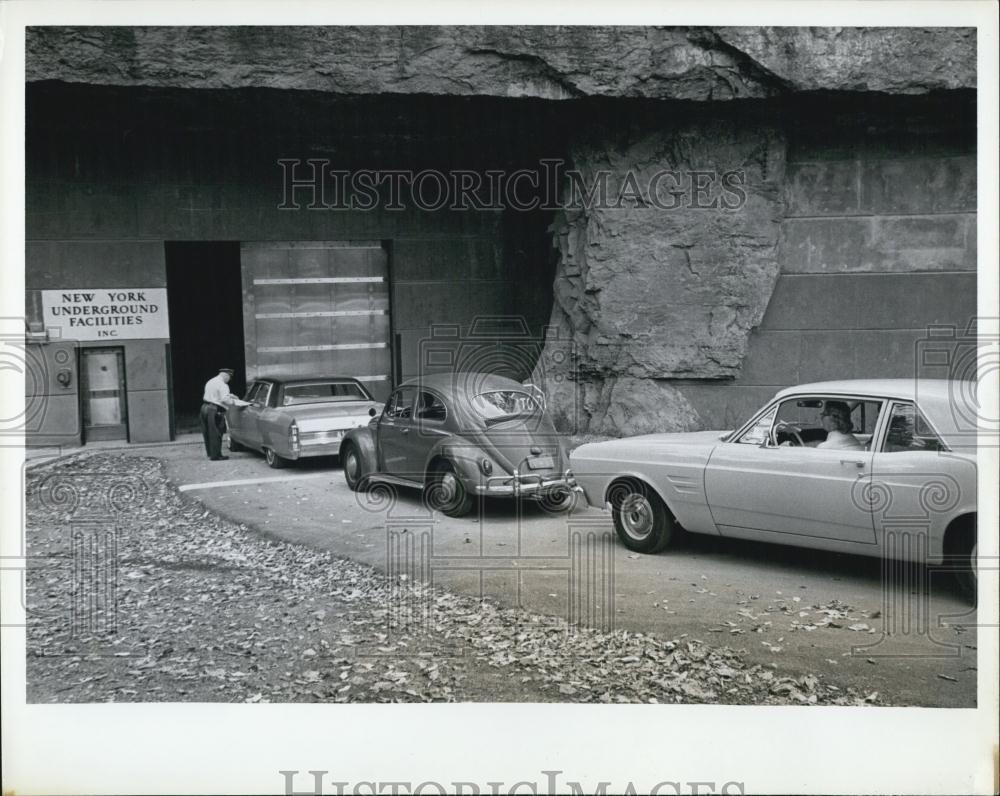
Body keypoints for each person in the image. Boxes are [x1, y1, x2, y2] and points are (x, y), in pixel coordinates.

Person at [200, 368, 249, 461]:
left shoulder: (211, 381)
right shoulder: (223, 385)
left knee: (207, 432)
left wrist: (230, 395)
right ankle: (216, 456)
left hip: (204, 407)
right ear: (226, 375)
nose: (229, 380)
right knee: (216, 432)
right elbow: (224, 399)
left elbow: (215, 394)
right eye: (230, 377)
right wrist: (235, 401)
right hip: (214, 409)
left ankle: (210, 453)